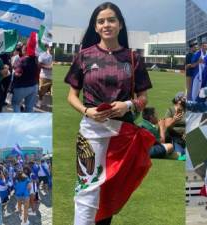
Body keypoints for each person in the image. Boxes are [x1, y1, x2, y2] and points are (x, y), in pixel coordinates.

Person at [64, 2, 155, 224]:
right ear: (95, 27)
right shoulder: (84, 56)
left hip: (121, 135)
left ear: (120, 24)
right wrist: (87, 111)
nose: (106, 24)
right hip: (90, 132)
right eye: (101, 21)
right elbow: (71, 96)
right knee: (87, 189)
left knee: (110, 189)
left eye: (111, 20)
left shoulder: (133, 58)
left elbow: (144, 98)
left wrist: (128, 105)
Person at [164, 92, 186, 160]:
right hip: (175, 137)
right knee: (180, 155)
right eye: (184, 98)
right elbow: (167, 126)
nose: (186, 100)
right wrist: (174, 120)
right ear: (178, 100)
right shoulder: (170, 110)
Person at [38, 43, 53, 107]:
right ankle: (39, 102)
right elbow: (39, 64)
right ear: (47, 47)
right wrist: (48, 67)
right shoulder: (43, 55)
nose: (52, 48)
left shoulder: (55, 55)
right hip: (45, 76)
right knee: (42, 91)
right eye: (51, 46)